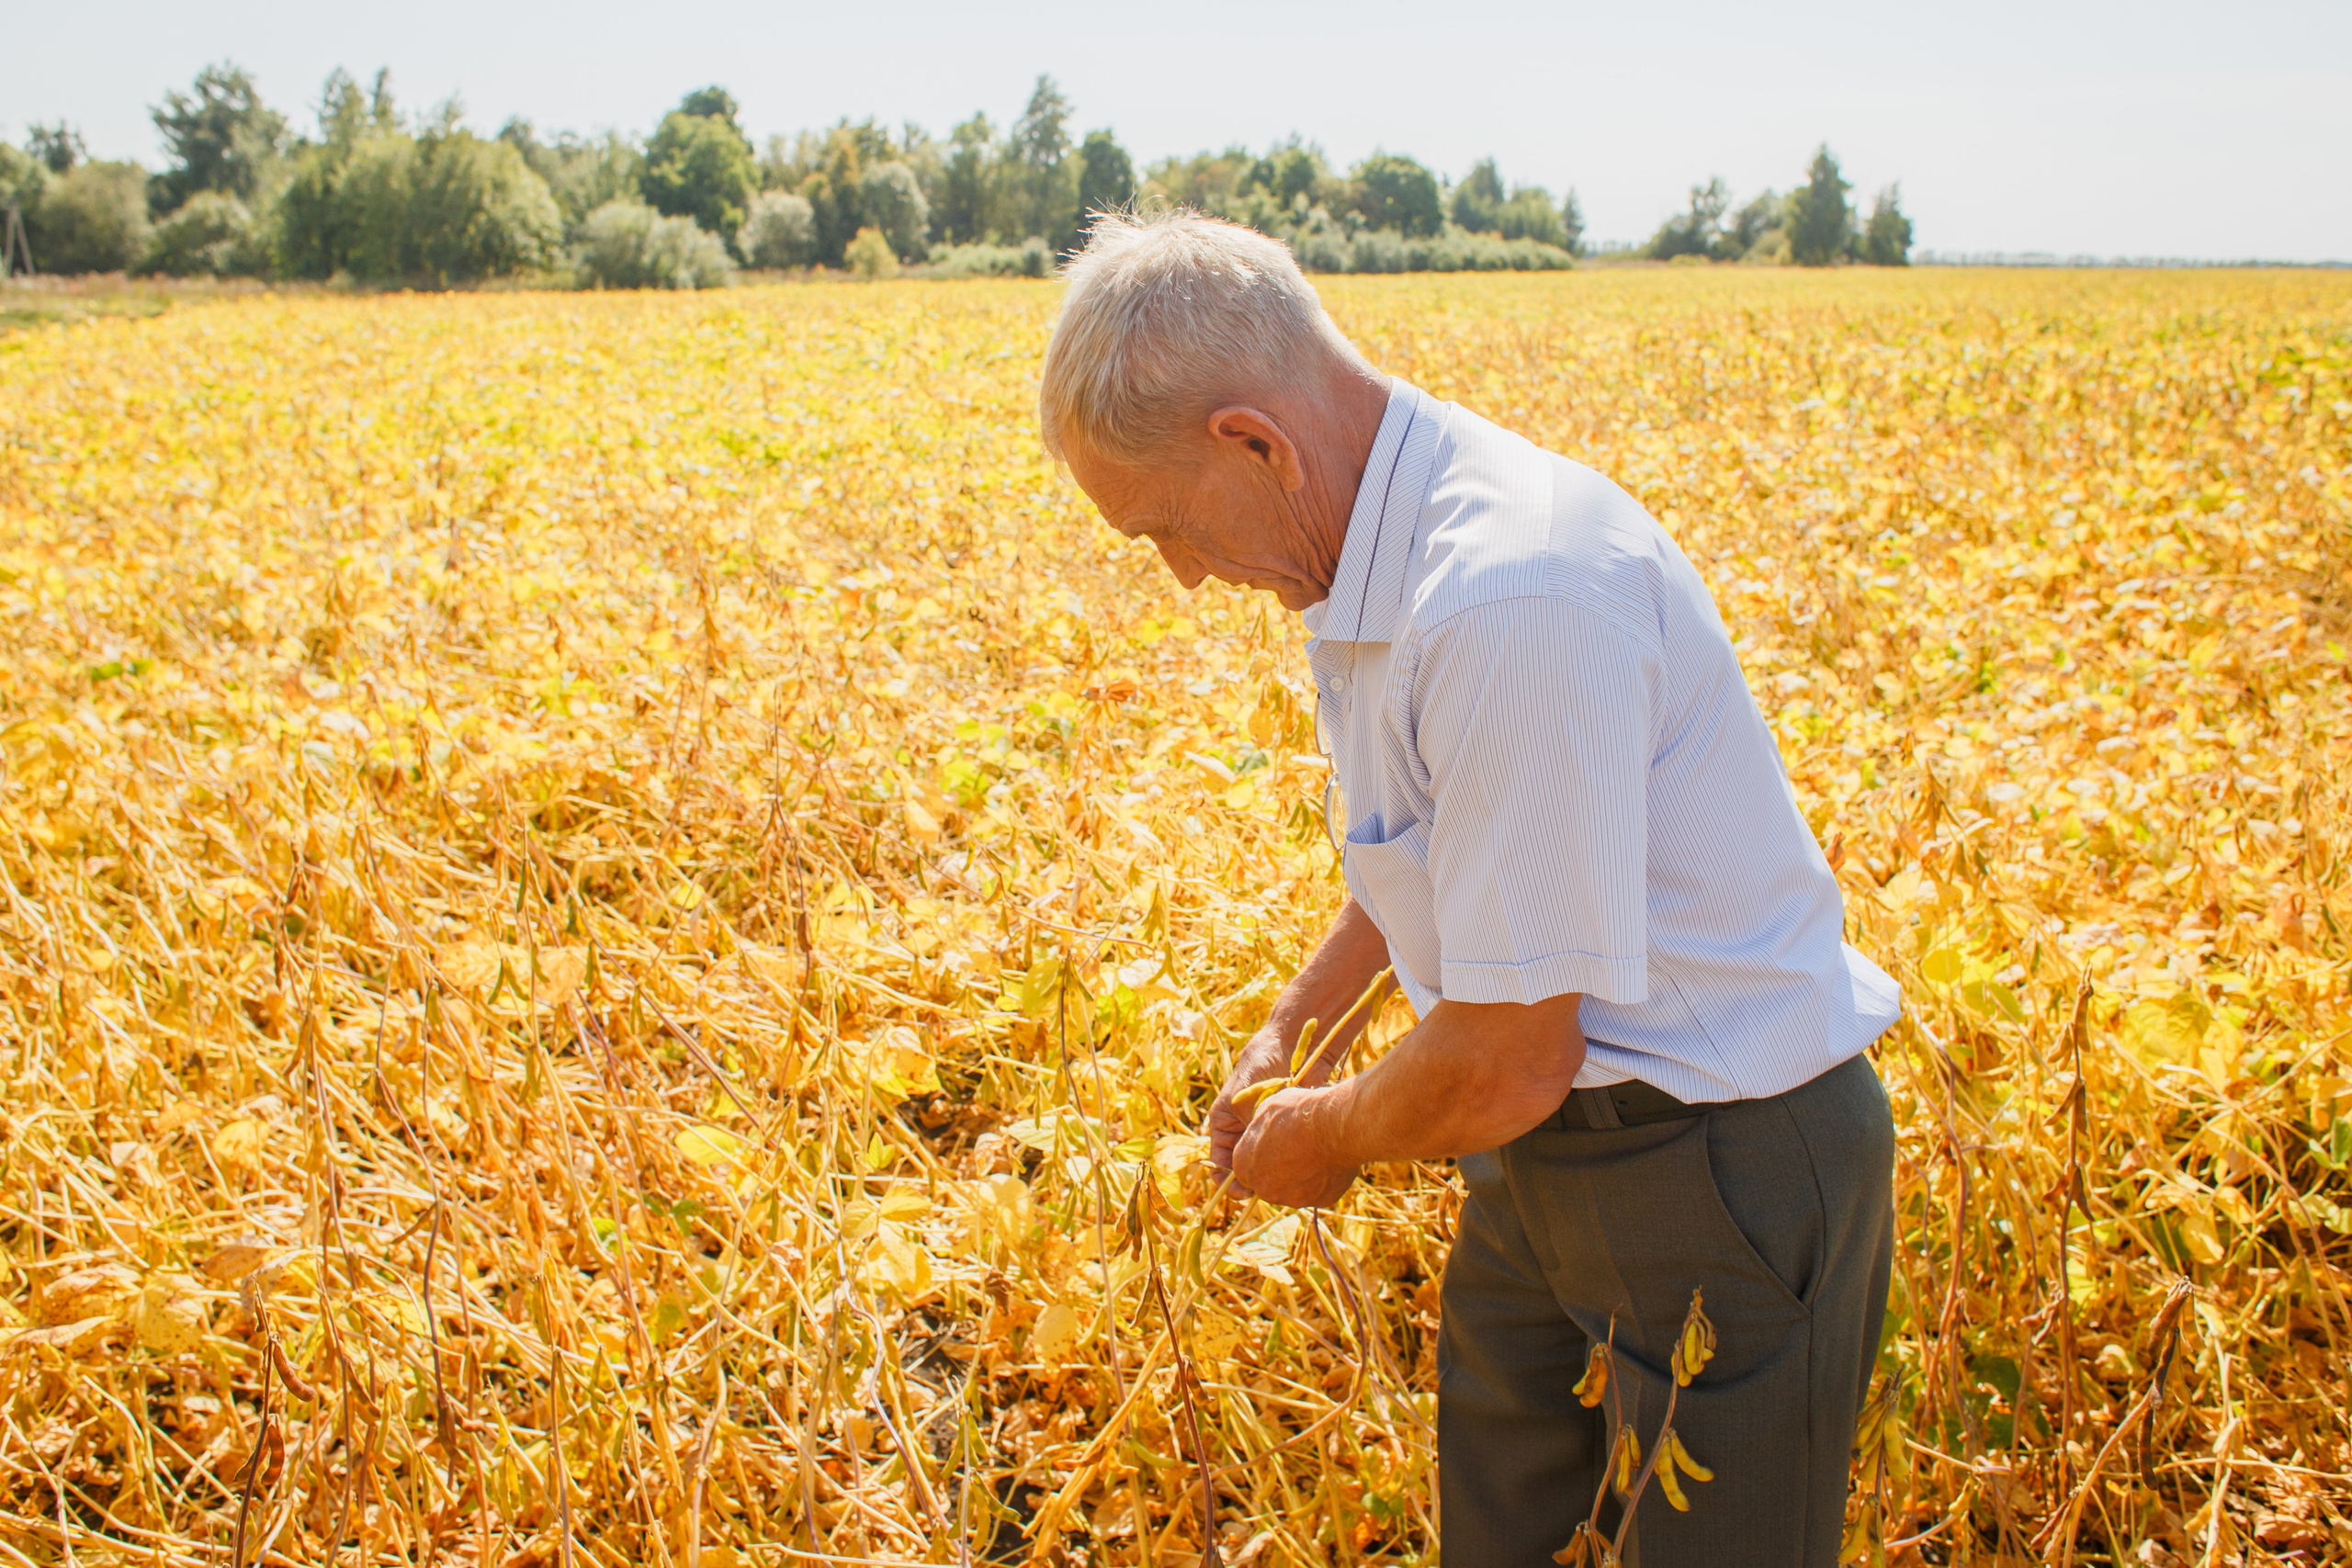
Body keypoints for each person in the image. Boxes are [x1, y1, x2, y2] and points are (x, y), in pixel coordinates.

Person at [1036, 209, 1902, 1566]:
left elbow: (1504, 1058)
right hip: (1550, 1145)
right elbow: (1446, 861)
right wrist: (1299, 1029)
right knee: (1507, 1532)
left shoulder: (1508, 597)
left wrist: (1321, 1133)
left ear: (1254, 443)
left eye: (1167, 531)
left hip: (1719, 1156)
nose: (1187, 576)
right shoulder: (1369, 552)